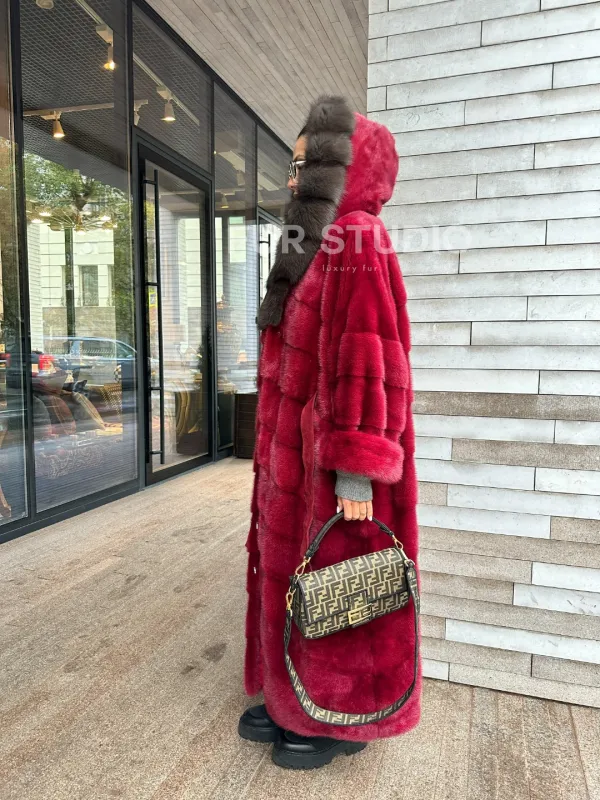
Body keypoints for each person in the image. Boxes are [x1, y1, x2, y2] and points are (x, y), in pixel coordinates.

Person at [240, 95, 421, 770]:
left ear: (351, 168)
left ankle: (337, 713)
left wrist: (356, 468)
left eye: (307, 165)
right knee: (291, 578)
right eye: (294, 166)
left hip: (334, 463)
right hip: (294, 457)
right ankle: (286, 694)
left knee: (340, 586)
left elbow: (370, 357)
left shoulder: (360, 239)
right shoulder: (310, 244)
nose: (294, 178)